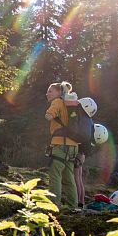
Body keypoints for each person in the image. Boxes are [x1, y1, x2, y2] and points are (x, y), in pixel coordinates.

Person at [45, 81, 78, 210]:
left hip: (60, 144)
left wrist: (50, 115)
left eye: (50, 91)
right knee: (69, 177)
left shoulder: (57, 102)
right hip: (74, 145)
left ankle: (53, 206)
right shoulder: (72, 104)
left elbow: (49, 116)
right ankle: (73, 206)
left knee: (55, 175)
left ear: (59, 92)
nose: (47, 94)